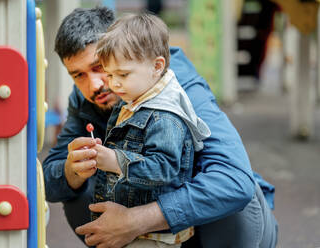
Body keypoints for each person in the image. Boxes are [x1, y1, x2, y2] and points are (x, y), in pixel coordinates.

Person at [43, 6, 278, 248]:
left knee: (228, 201)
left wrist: (136, 221)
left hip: (234, 228)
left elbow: (234, 182)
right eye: (78, 75)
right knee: (77, 185)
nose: (94, 85)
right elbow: (49, 180)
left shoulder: (178, 88)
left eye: (99, 67)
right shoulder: (88, 97)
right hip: (159, 227)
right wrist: (72, 170)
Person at [86, 12, 211, 247]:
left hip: (152, 236)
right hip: (133, 229)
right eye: (110, 74)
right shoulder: (135, 98)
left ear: (157, 66)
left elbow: (163, 168)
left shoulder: (165, 115)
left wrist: (114, 160)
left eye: (123, 74)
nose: (114, 83)